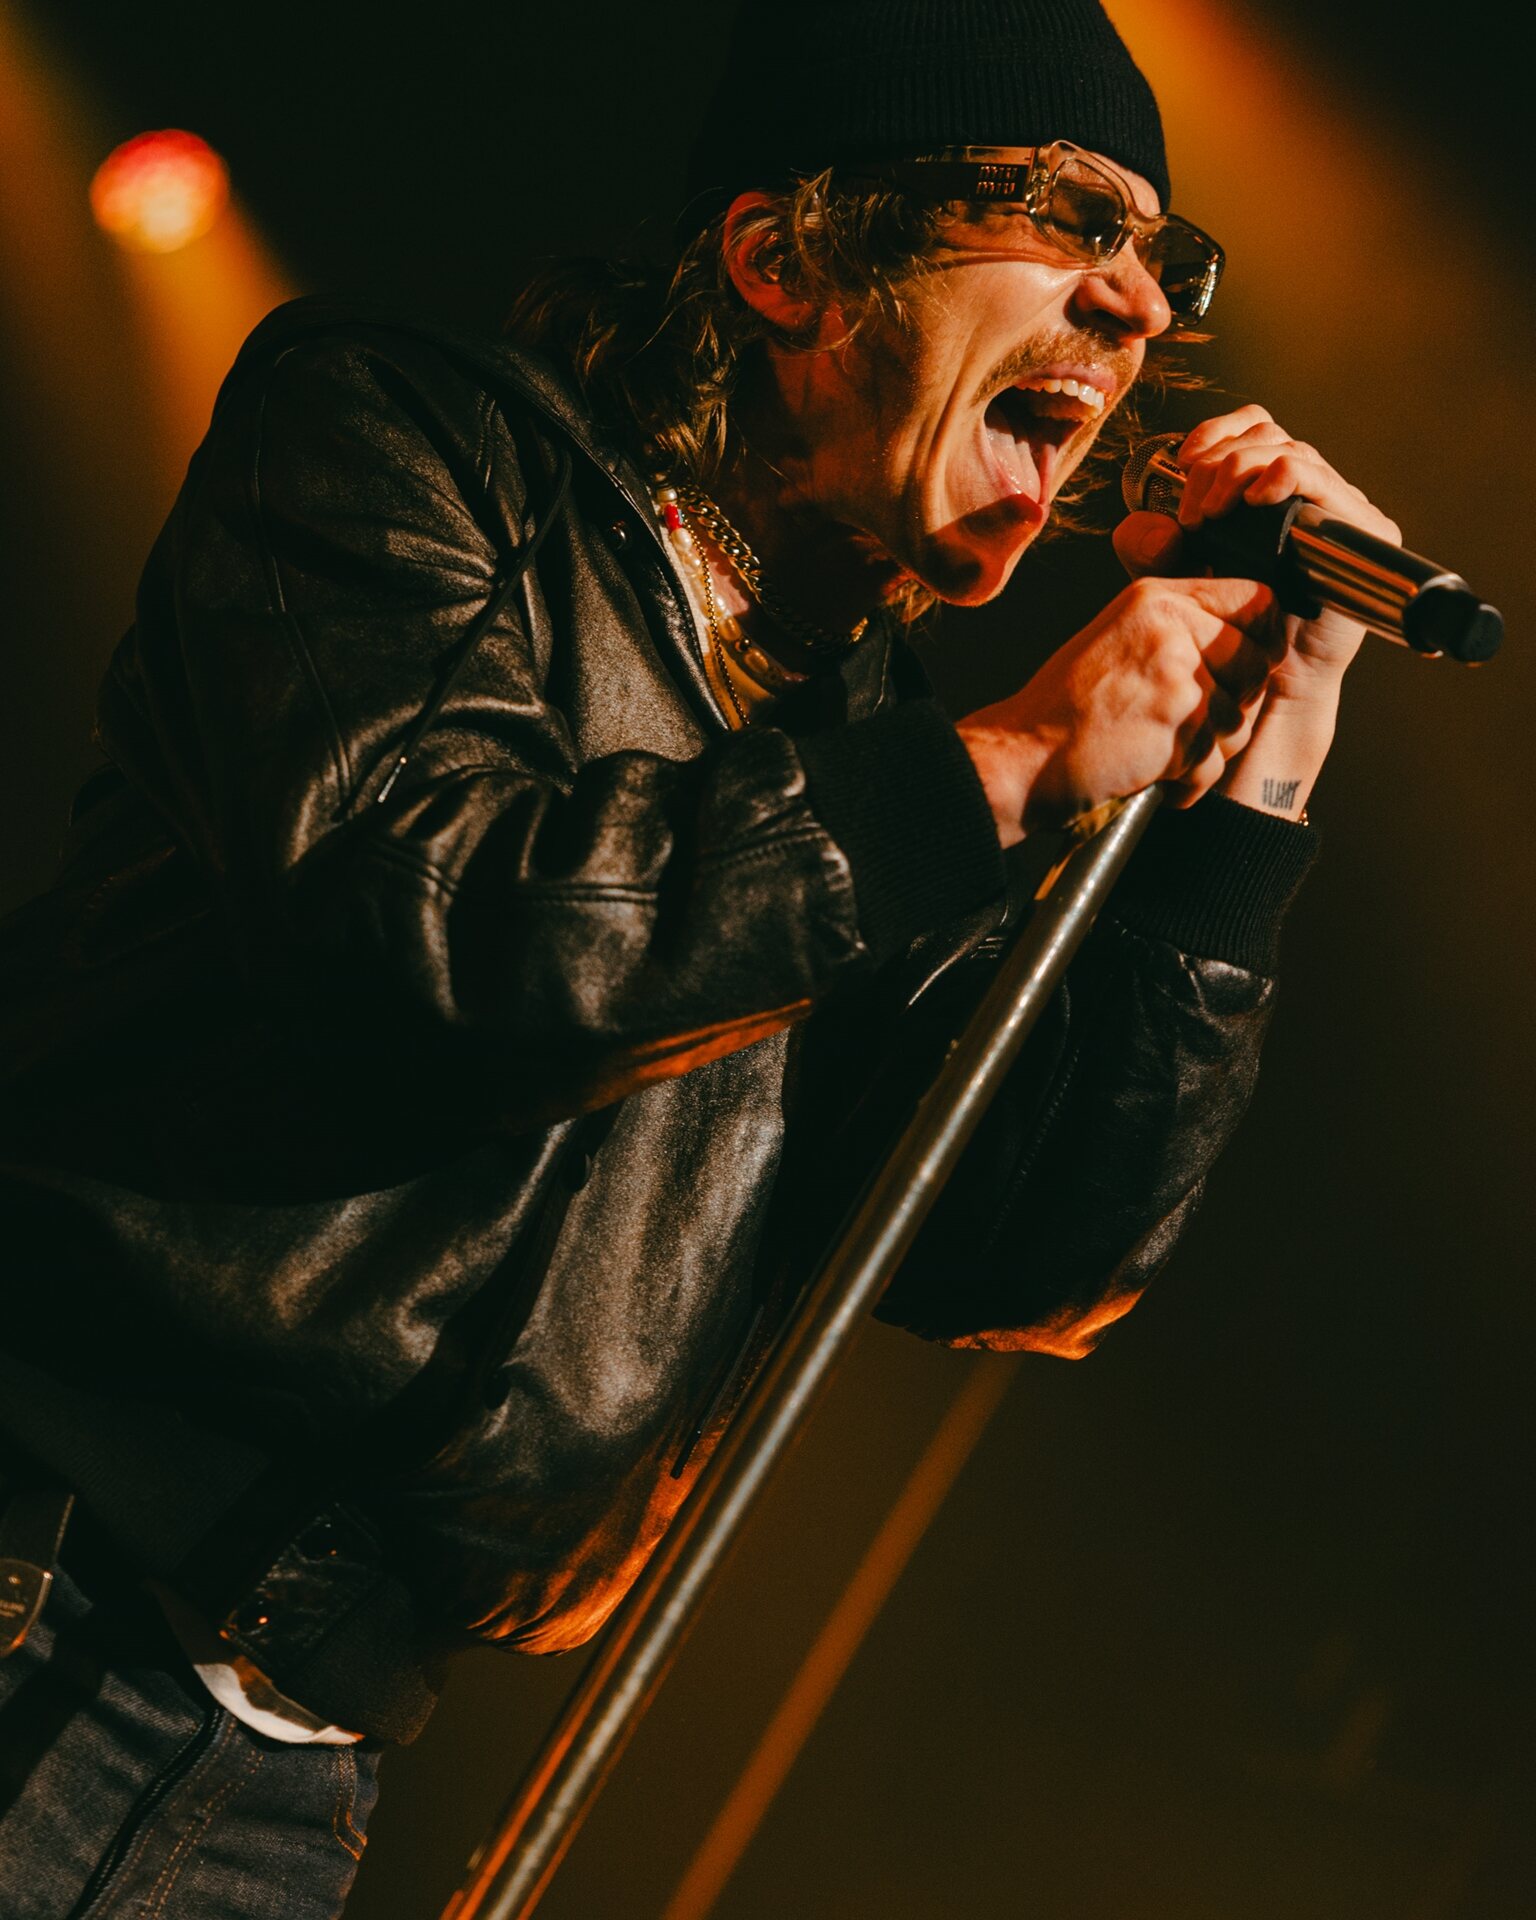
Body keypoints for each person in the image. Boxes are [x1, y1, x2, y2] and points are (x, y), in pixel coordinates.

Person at [0, 1, 1400, 1912]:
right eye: (1066, 215)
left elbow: (1022, 1255)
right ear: (785, 258)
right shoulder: (405, 437)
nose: (1138, 301)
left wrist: (1259, 782)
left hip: (291, 1773)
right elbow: (415, 922)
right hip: (48, 1573)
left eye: (1167, 258)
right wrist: (994, 770)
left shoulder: (864, 742)